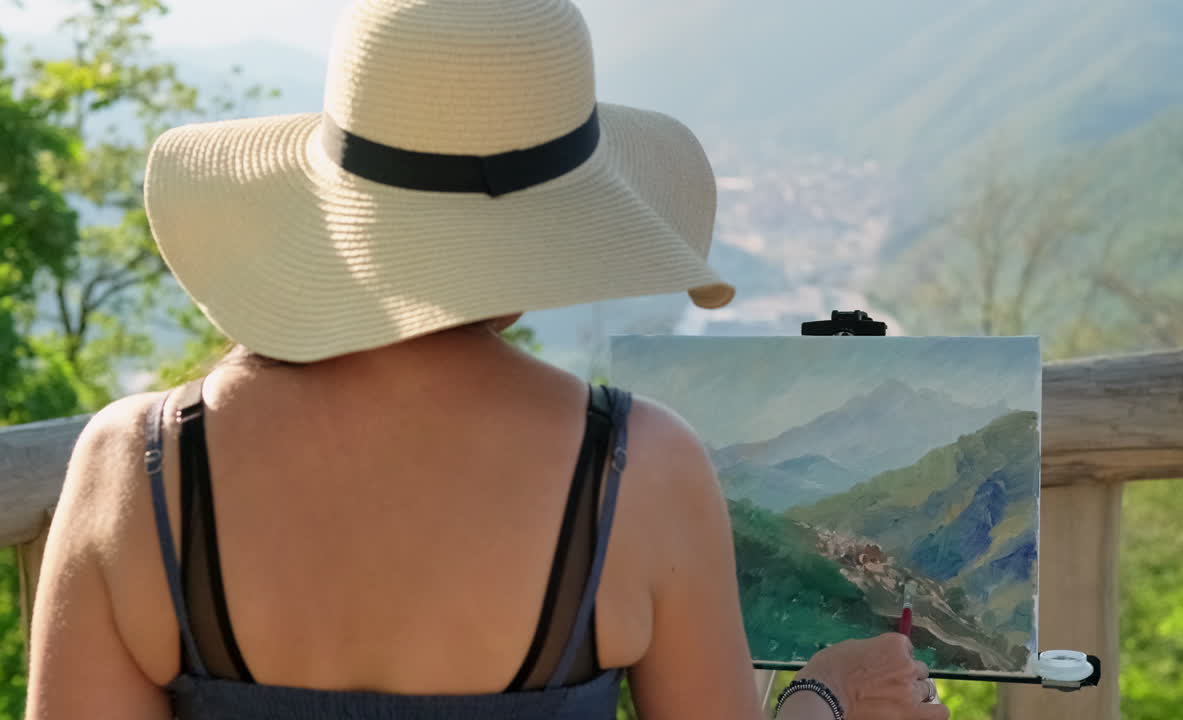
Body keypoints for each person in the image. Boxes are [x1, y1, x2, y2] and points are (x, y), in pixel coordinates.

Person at [24, 1, 948, 718]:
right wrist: (826, 696)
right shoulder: (638, 472)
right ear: (559, 217)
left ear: (333, 198)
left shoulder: (135, 469)